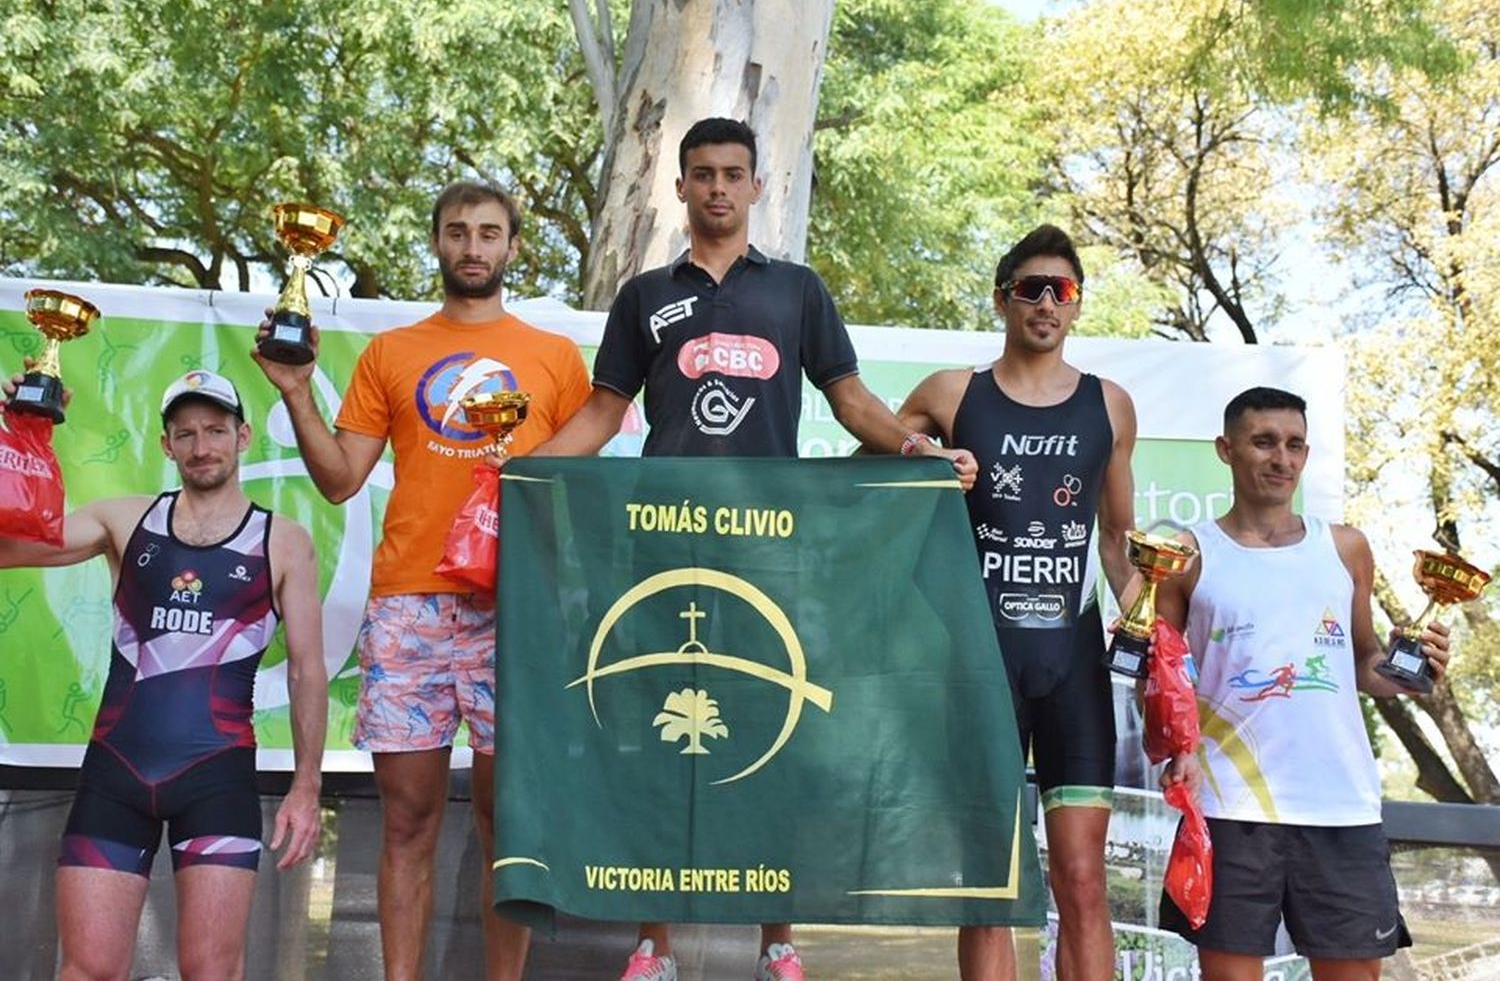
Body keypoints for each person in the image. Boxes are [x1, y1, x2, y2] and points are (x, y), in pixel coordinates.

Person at [534, 116, 978, 981]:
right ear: (680, 187)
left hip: (772, 542)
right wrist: (522, 472)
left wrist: (920, 452)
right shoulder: (643, 295)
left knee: (778, 730)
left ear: (757, 186)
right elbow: (601, 413)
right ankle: (653, 947)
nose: (717, 189)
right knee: (663, 742)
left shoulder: (798, 291)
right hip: (661, 544)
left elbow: (849, 401)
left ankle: (778, 941)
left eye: (734, 174)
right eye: (702, 174)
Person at [253, 180, 591, 981]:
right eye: (456, 232)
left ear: (512, 248)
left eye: (488, 233)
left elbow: (578, 489)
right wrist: (298, 393)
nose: (472, 247)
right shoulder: (391, 353)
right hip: (409, 605)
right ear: (436, 243)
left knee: (508, 825)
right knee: (407, 821)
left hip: (515, 610)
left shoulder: (556, 359)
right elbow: (340, 480)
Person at [0, 367, 327, 980]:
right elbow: (6, 546)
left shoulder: (283, 542)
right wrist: (22, 440)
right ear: (165, 446)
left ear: (243, 436)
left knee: (212, 973)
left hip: (216, 778)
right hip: (115, 775)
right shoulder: (123, 521)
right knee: (86, 971)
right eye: (185, 434)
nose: (201, 447)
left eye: (214, 430)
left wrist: (307, 787)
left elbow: (308, 671)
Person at [893, 224, 1138, 981]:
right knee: (988, 890)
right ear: (1002, 300)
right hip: (979, 667)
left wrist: (1146, 620)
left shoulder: (1112, 406)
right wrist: (928, 457)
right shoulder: (951, 393)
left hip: (1073, 666)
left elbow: (1117, 542)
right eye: (1028, 288)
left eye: (1059, 291)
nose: (1044, 302)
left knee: (1084, 882)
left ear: (1077, 306)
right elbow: (861, 473)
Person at [1154, 386, 1448, 980]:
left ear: (1306, 455)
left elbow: (1366, 666)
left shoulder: (1345, 548)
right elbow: (1164, 677)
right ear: (1226, 449)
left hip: (1340, 806)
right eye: (1263, 442)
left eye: (1293, 445)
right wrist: (1173, 747)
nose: (1280, 459)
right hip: (1231, 807)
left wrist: (1416, 671)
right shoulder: (1186, 553)